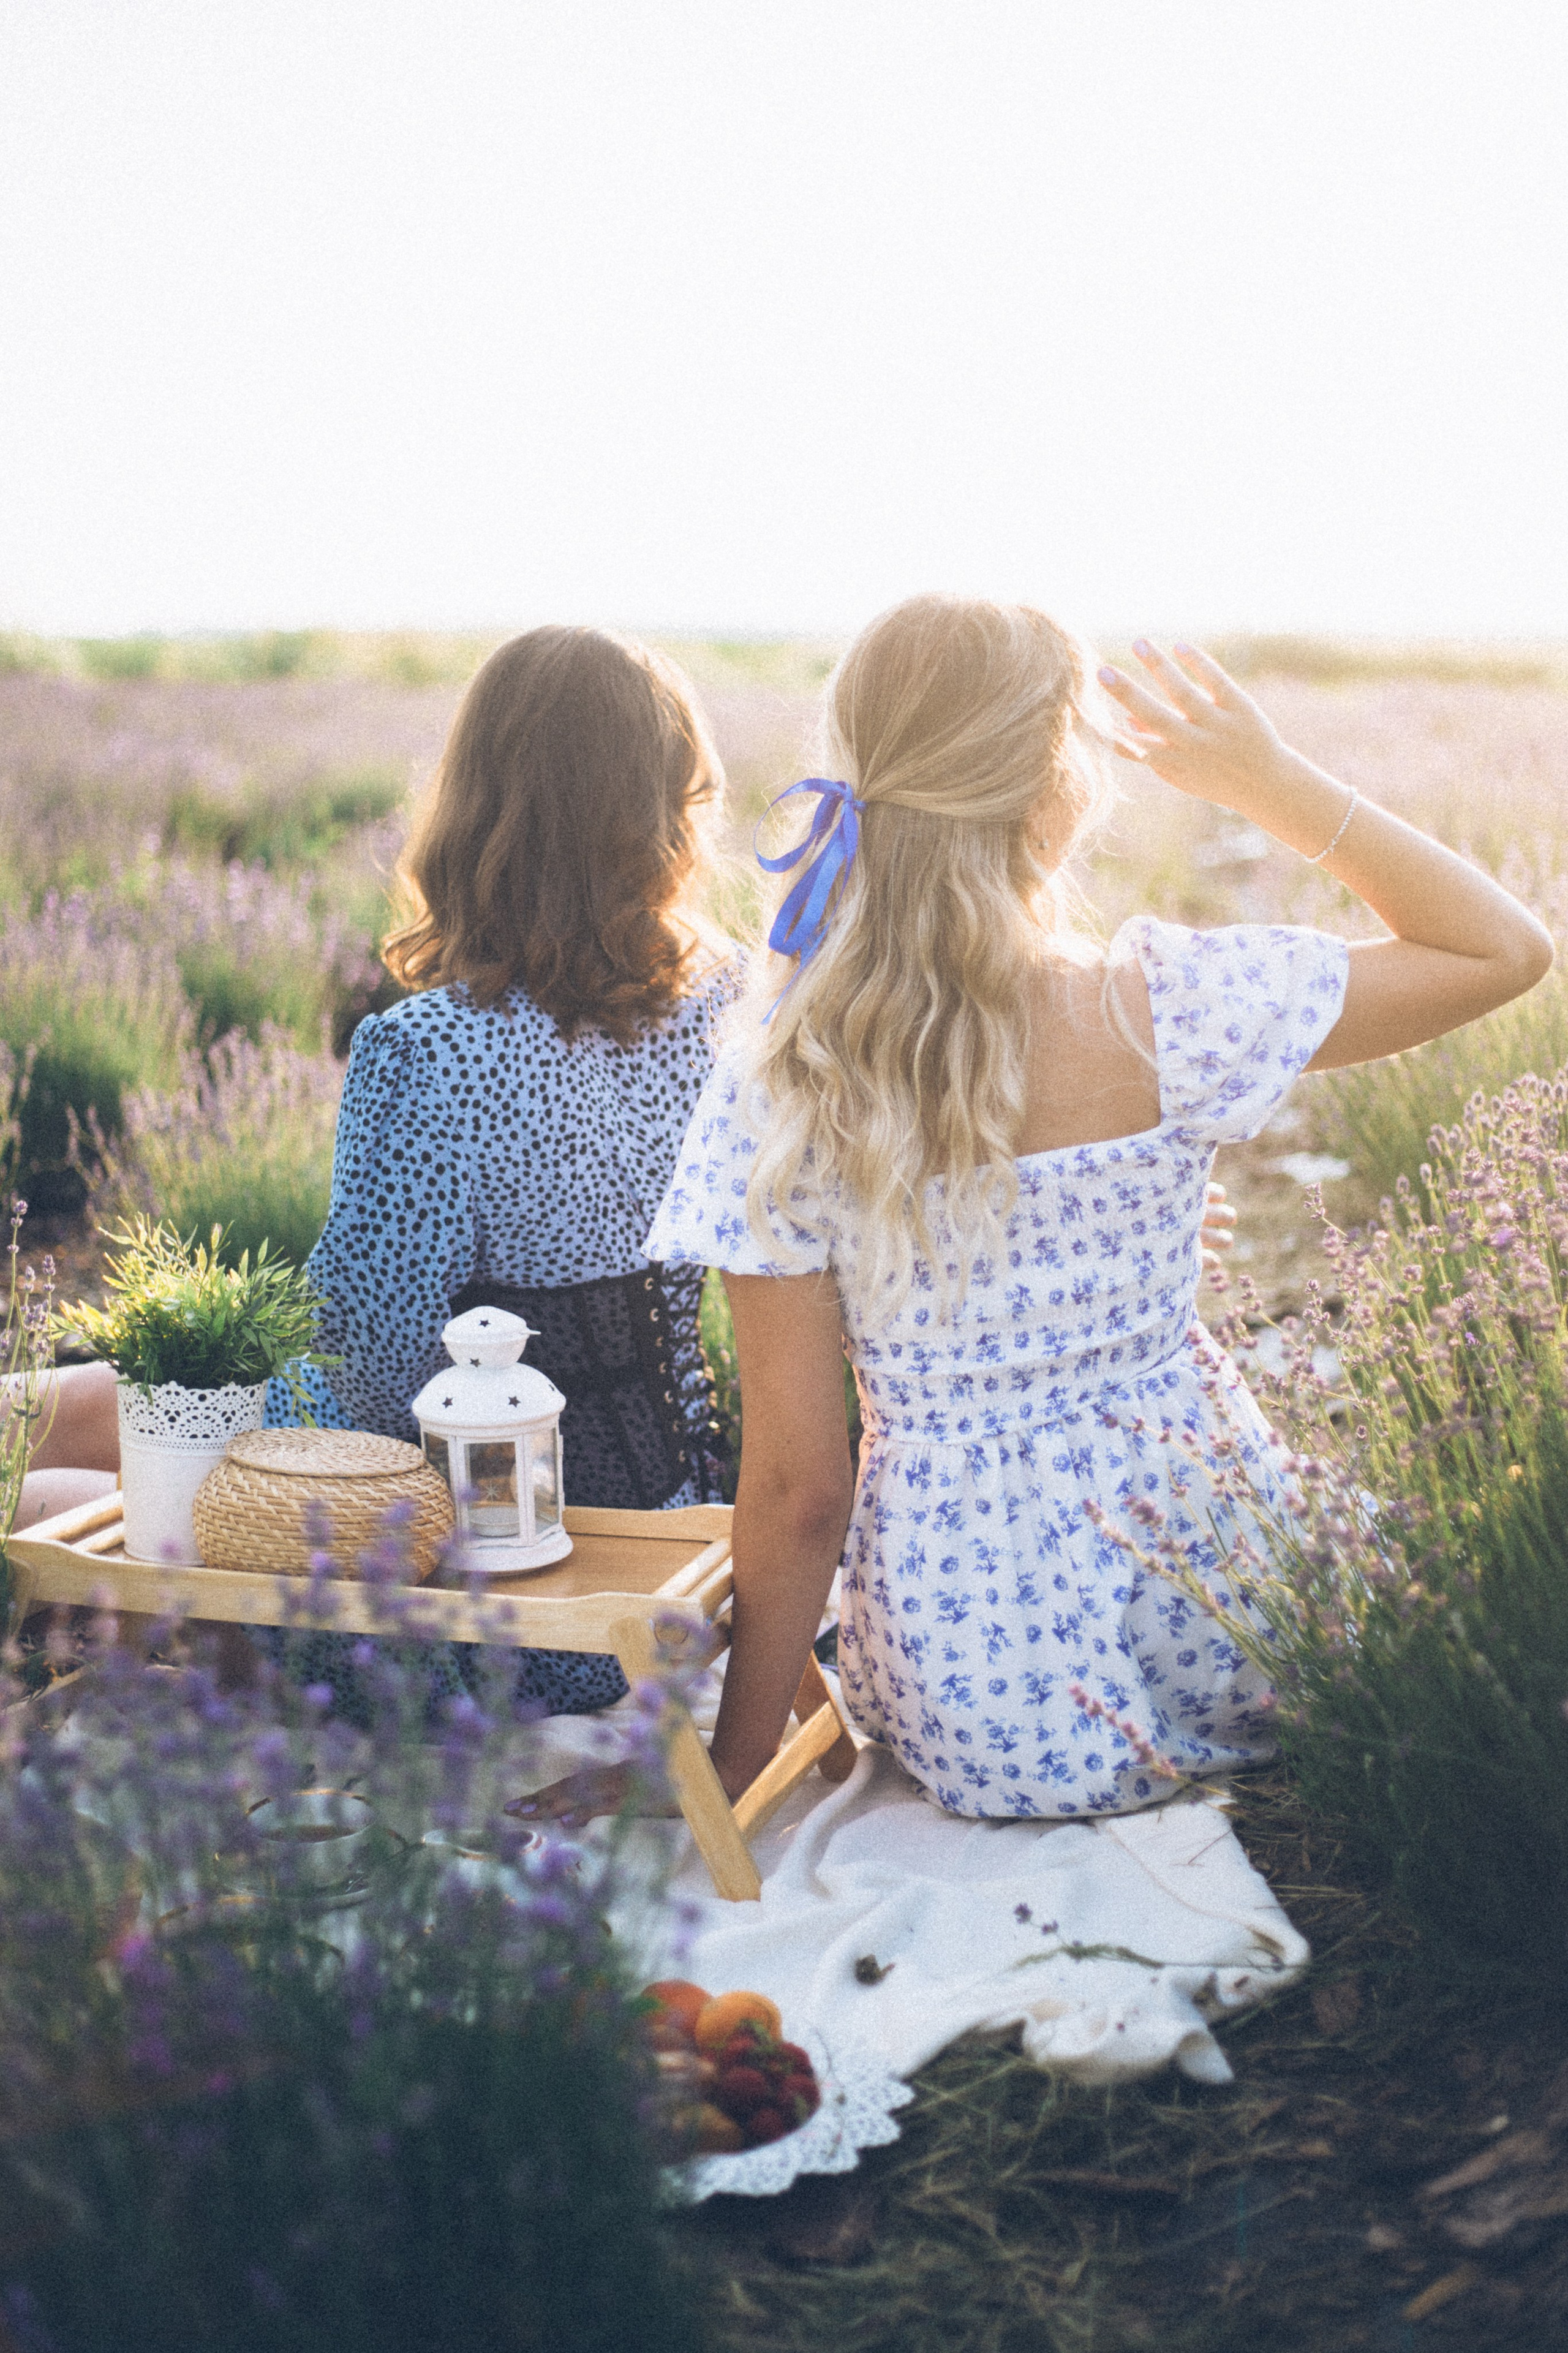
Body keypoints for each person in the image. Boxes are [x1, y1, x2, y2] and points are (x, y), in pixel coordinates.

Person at [608, 595, 1550, 1823]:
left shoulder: (781, 1078)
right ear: (1056, 788)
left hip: (992, 1692)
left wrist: (728, 1767)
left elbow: (800, 1490)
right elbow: (1501, 951)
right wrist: (1269, 781)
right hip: (1229, 1603)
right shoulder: (1161, 1004)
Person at [273, 625, 741, 1713]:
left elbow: (373, 1372)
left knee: (124, 1426)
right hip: (680, 1562)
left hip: (515, 1608)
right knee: (116, 1404)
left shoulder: (429, 1050)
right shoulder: (737, 1006)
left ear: (482, 804)